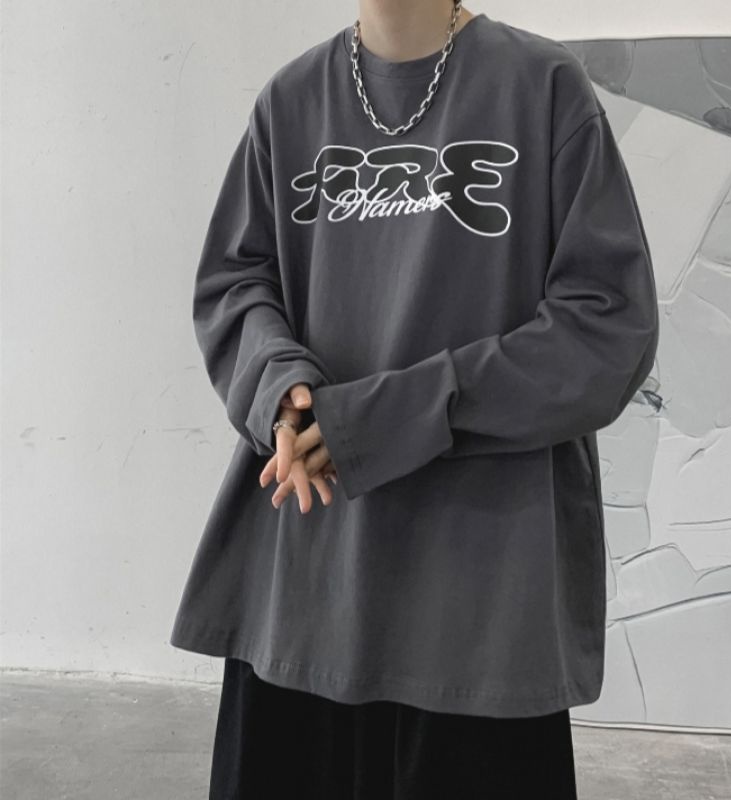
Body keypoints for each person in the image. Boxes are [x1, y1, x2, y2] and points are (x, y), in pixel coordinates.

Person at [170, 1, 660, 797]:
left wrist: (387, 418)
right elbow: (235, 283)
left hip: (481, 603)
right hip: (307, 583)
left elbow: (606, 329)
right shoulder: (291, 101)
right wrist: (280, 388)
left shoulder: (542, 88)